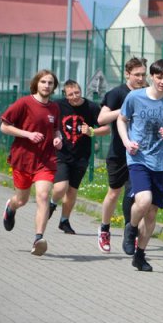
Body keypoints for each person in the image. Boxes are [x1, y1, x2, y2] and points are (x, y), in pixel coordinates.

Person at [118, 59, 163, 272]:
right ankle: (131, 227)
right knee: (143, 201)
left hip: (162, 162)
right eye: (159, 77)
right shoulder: (135, 97)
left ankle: (140, 255)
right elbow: (121, 119)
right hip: (138, 158)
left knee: (153, 212)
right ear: (151, 77)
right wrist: (127, 142)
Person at [0, 69, 63, 256]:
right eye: (43, 82)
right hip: (24, 159)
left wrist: (58, 139)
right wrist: (27, 134)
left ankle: (38, 239)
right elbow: (4, 126)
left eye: (50, 83)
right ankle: (10, 208)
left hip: (46, 159)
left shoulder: (54, 108)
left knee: (43, 196)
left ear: (53, 87)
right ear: (36, 83)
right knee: (22, 199)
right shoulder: (24, 103)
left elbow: (56, 130)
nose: (46, 86)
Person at [96, 57, 147, 253]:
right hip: (118, 152)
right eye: (137, 75)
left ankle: (130, 233)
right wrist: (124, 109)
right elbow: (101, 119)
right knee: (114, 192)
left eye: (143, 75)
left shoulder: (147, 93)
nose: (141, 79)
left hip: (140, 154)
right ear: (127, 74)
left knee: (134, 195)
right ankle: (104, 229)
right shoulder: (117, 93)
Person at [48, 80, 110, 234]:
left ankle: (64, 221)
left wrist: (92, 132)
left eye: (77, 93)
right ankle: (52, 203)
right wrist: (53, 138)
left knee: (72, 191)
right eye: (71, 94)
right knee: (61, 187)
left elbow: (107, 128)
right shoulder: (57, 106)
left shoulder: (91, 107)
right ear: (65, 95)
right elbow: (48, 123)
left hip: (81, 155)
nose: (75, 96)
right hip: (62, 153)